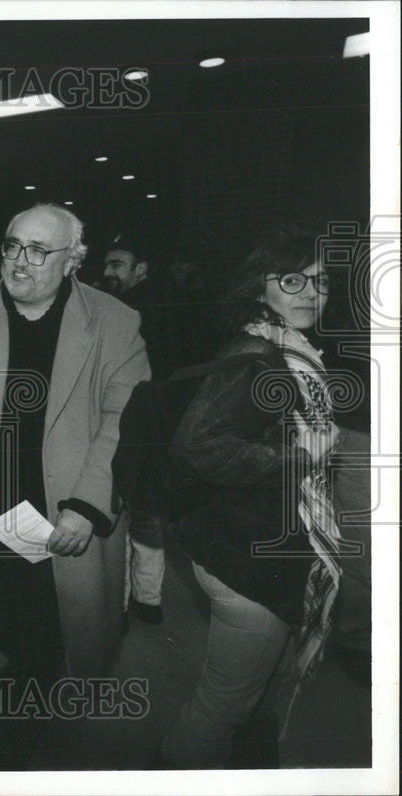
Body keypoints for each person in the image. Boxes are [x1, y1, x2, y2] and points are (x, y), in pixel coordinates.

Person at [0, 203, 150, 768]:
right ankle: (25, 679)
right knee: (0, 614)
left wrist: (88, 506)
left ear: (74, 260)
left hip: (63, 516)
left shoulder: (114, 322)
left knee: (47, 631)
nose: (20, 262)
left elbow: (126, 419)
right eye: (12, 246)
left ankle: (15, 742)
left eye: (39, 251)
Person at [160, 225, 343, 768]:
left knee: (254, 692)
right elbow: (196, 446)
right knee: (222, 706)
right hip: (248, 562)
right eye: (293, 279)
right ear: (258, 287)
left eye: (321, 280)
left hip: (261, 542)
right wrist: (299, 458)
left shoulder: (289, 349)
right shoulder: (257, 356)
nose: (311, 292)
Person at [101, 235, 170, 628]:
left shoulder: (134, 311)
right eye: (106, 265)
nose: (108, 272)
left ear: (140, 270)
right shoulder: (149, 304)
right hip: (146, 426)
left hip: (139, 426)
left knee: (126, 517)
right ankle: (147, 600)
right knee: (145, 516)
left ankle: (125, 604)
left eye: (118, 265)